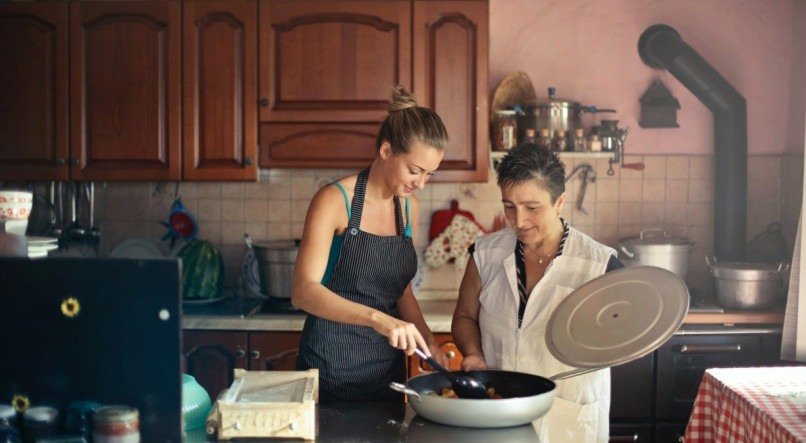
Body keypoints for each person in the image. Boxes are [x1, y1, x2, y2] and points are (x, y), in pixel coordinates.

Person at [452, 142, 623, 442]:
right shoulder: (484, 254)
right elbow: (465, 317)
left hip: (568, 421)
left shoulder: (600, 265)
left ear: (560, 202)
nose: (519, 221)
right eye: (509, 206)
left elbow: (624, 337)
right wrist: (474, 353)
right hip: (499, 415)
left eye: (532, 208)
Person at [292, 85, 450, 402]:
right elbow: (303, 291)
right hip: (329, 368)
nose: (420, 183)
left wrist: (428, 341)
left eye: (429, 174)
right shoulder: (335, 200)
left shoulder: (408, 208)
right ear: (387, 151)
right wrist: (378, 319)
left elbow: (401, 290)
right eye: (415, 170)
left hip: (386, 374)